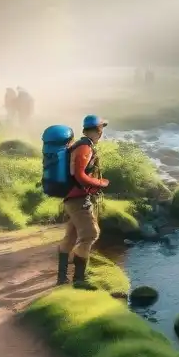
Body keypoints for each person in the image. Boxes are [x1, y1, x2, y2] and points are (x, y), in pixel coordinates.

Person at [57, 115, 110, 287]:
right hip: (78, 198)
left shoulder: (81, 145)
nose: (102, 132)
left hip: (72, 197)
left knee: (71, 236)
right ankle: (79, 280)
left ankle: (62, 278)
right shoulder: (85, 147)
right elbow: (78, 175)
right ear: (97, 130)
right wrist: (100, 183)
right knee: (90, 234)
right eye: (101, 128)